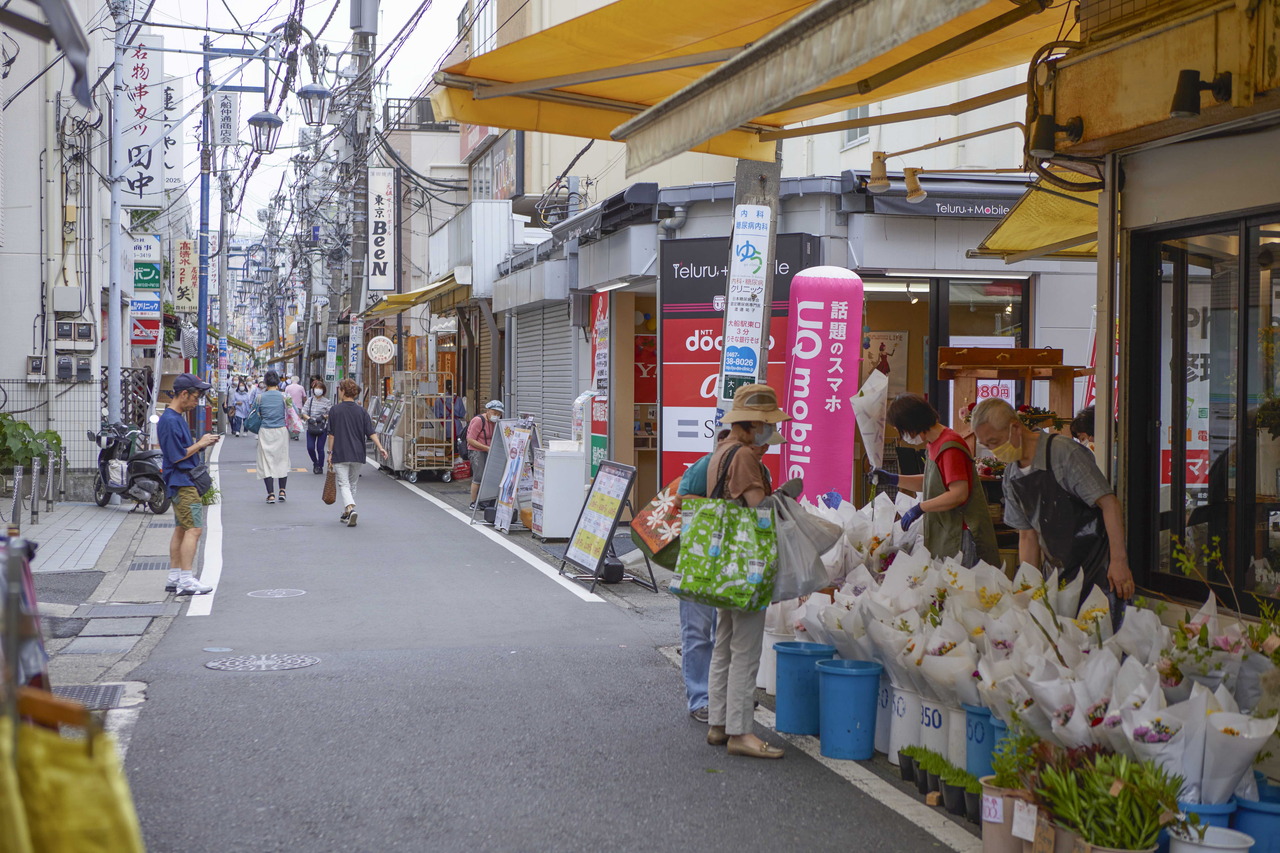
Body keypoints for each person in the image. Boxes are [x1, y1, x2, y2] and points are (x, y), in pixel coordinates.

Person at [971, 398, 1136, 616]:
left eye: (995, 441)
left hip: (1099, 566)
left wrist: (1119, 561)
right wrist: (1028, 588)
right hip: (1058, 572)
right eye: (988, 445)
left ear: (1015, 427)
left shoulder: (1064, 453)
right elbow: (1027, 536)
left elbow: (1109, 504)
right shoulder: (1011, 475)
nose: (994, 450)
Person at [704, 383, 789, 760]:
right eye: (766, 426)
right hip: (746, 563)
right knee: (746, 647)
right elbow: (759, 507)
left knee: (724, 642)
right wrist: (784, 501)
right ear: (754, 424)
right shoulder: (744, 458)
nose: (768, 435)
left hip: (723, 563)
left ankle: (719, 724)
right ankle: (741, 732)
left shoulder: (721, 449)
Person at [871, 393, 1000, 567]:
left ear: (912, 424)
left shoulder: (950, 446)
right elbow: (932, 481)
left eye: (901, 430)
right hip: (948, 529)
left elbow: (958, 494)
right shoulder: (934, 443)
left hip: (962, 533)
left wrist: (920, 508)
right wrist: (893, 479)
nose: (902, 436)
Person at [156, 374, 217, 596]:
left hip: (179, 480)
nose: (197, 401)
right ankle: (186, 580)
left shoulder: (174, 417)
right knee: (194, 529)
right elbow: (176, 455)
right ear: (184, 394)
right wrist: (201, 443)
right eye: (196, 396)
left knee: (182, 528)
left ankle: (175, 577)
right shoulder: (172, 420)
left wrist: (201, 444)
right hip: (182, 482)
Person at [327, 378, 388, 527]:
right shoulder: (362, 411)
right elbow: (371, 432)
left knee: (344, 483)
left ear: (343, 391)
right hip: (357, 452)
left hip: (340, 452)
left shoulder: (335, 410)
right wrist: (380, 447)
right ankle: (347, 513)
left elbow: (331, 434)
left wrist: (330, 452)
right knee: (352, 483)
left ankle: (350, 508)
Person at [252, 370, 296, 503]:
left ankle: (271, 494)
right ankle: (282, 491)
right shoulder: (284, 396)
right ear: (278, 381)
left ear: (265, 383)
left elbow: (254, 412)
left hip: (265, 431)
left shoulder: (260, 397)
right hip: (281, 431)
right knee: (282, 460)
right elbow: (295, 411)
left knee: (266, 463)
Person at [467, 400, 504, 508]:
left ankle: (485, 500)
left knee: (490, 476)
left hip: (490, 450)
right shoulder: (478, 420)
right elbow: (470, 439)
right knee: (478, 476)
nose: (496, 415)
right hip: (476, 451)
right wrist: (486, 448)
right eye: (494, 412)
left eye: (499, 414)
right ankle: (473, 502)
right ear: (488, 410)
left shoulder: (496, 422)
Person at [302, 376, 333, 474]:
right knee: (310, 447)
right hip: (311, 427)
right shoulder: (309, 400)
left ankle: (320, 466)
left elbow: (331, 413)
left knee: (320, 448)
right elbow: (303, 412)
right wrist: (309, 419)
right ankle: (315, 462)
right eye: (316, 388)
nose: (317, 390)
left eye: (319, 389)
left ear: (323, 390)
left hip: (321, 428)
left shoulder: (327, 401)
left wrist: (323, 417)